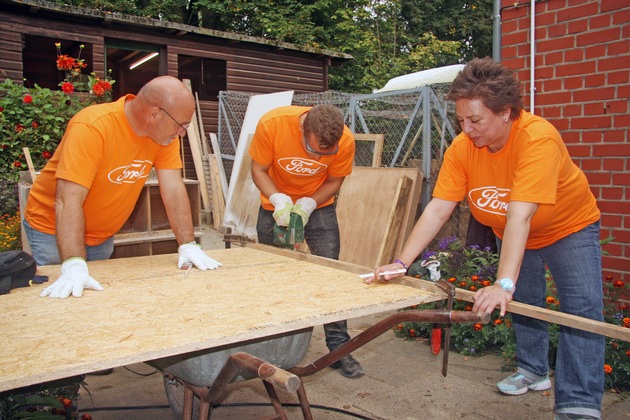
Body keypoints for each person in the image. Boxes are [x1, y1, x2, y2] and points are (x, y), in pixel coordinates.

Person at [368, 58, 604, 420]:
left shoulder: (537, 138)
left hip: (568, 228)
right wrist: (402, 262)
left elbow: (520, 215)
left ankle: (579, 404)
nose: (466, 129)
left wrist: (502, 281)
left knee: (581, 312)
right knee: (524, 301)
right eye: (461, 120)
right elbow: (437, 210)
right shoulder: (463, 148)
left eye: (475, 120)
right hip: (510, 232)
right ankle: (533, 370)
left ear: (506, 112)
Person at [24, 75, 222, 300]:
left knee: (95, 299)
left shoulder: (164, 138)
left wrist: (188, 244)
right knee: (63, 297)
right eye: (182, 125)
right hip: (53, 229)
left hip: (102, 235)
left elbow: (174, 189)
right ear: (155, 114)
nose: (183, 132)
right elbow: (67, 200)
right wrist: (72, 264)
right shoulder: (92, 126)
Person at [249, 104, 363, 378]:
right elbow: (258, 169)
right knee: (267, 272)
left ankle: (339, 348)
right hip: (274, 203)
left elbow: (335, 180)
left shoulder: (345, 140)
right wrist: (278, 200)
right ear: (302, 129)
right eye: (313, 150)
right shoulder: (273, 124)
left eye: (326, 153)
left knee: (330, 273)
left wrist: (310, 203)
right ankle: (265, 345)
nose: (319, 156)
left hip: (318, 204)